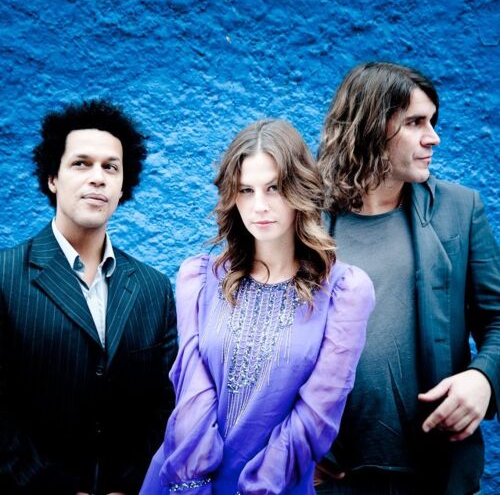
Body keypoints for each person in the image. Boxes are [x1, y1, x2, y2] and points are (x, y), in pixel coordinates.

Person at [140, 119, 375, 494]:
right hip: (184, 481)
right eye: (246, 190)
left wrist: (260, 486)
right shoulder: (198, 279)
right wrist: (193, 483)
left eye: (274, 188)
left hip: (276, 486)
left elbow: (318, 414)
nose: (260, 206)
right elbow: (192, 393)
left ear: (300, 189)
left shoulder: (345, 291)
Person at [316, 62, 500, 494]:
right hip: (330, 475)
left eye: (432, 122)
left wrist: (484, 378)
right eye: (416, 122)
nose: (433, 137)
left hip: (434, 473)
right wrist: (290, 440)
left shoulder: (460, 210)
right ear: (369, 127)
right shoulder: (306, 218)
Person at [0, 99, 178, 494]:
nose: (98, 178)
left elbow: (165, 404)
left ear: (122, 186)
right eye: (81, 164)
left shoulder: (154, 288)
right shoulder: (5, 277)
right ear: (53, 178)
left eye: (110, 167)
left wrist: (128, 484)